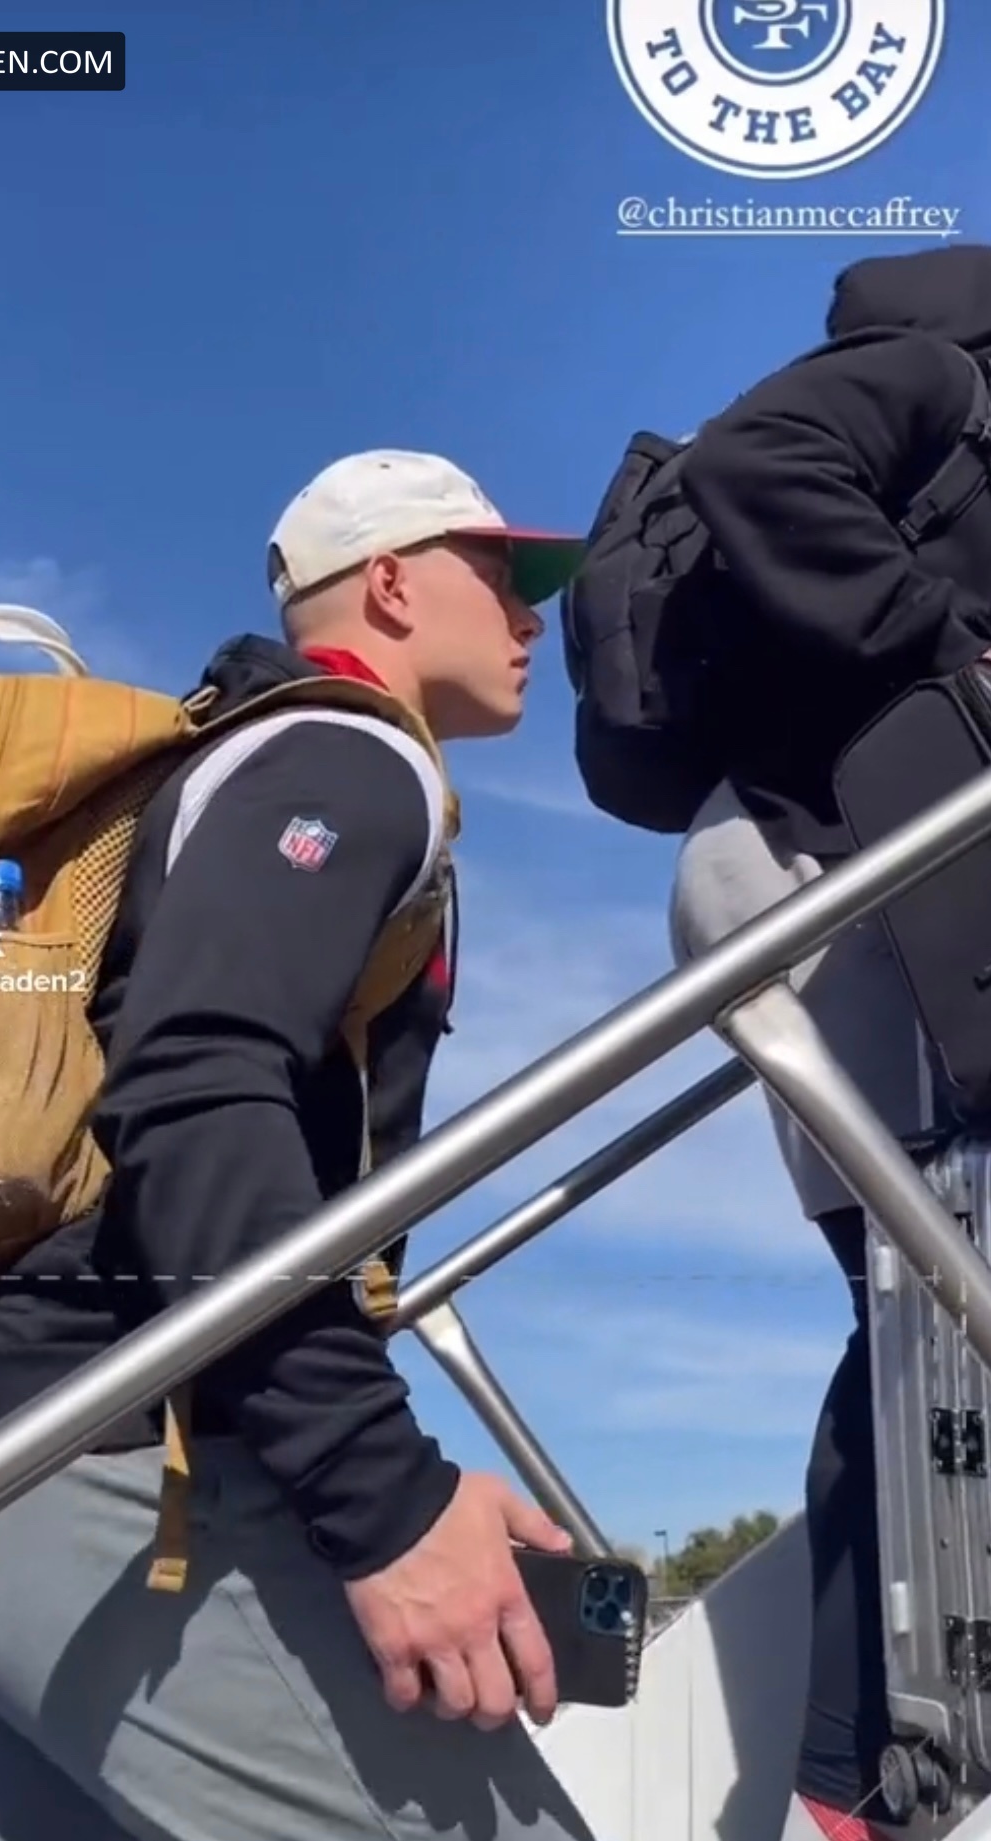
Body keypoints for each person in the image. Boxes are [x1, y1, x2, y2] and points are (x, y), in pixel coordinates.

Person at [0, 449, 597, 1841]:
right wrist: (382, 1498)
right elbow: (194, 1083)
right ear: (390, 585)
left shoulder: (239, 761)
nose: (529, 617)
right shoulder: (349, 756)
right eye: (502, 575)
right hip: (95, 1464)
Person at [669, 245, 991, 1840]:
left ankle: (847, 1773)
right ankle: (869, 1764)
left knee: (907, 1297)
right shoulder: (944, 373)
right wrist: (956, 653)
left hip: (814, 867)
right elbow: (753, 461)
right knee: (922, 1286)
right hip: (834, 867)